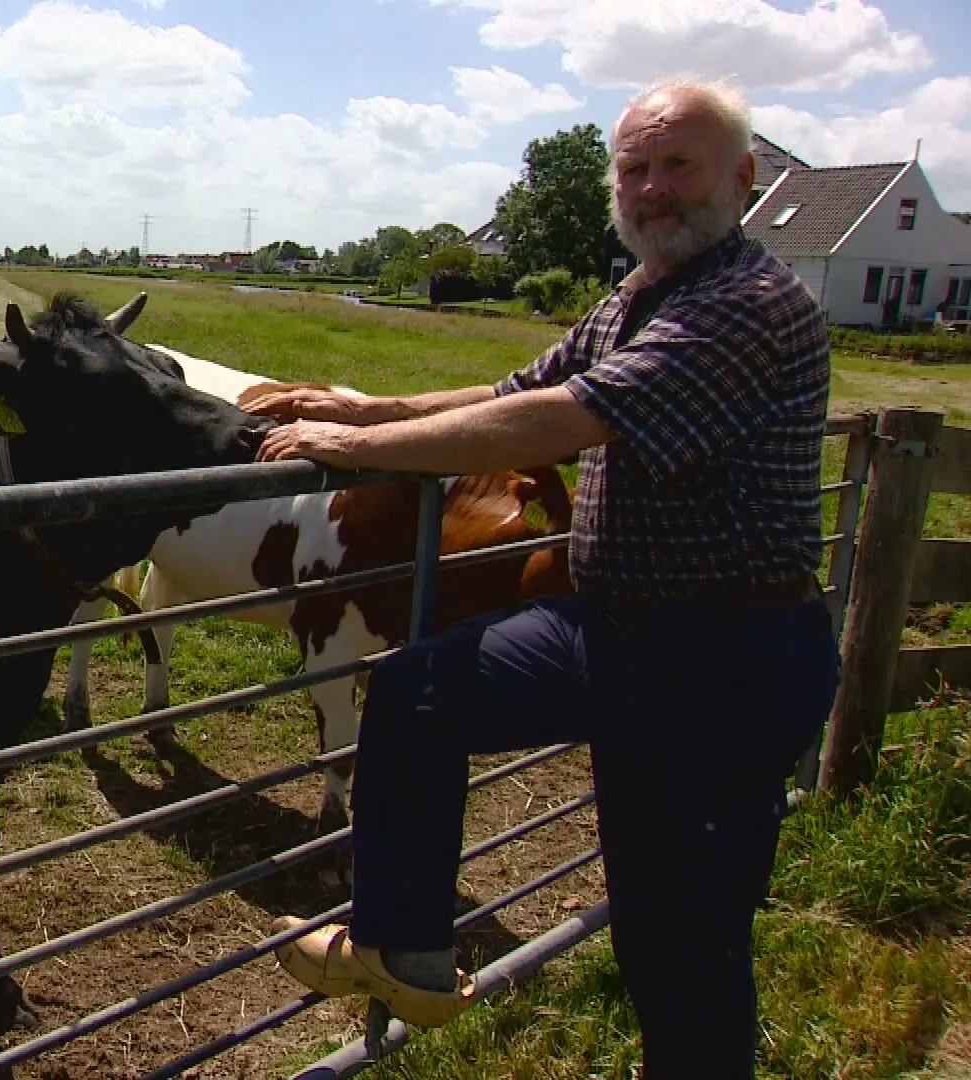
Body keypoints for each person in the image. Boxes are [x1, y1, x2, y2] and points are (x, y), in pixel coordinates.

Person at [244, 77, 841, 1079]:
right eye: (634, 169)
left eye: (678, 165)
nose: (653, 188)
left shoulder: (748, 305)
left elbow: (563, 422)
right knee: (413, 690)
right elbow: (517, 389)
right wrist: (371, 407)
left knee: (679, 944)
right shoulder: (641, 296)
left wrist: (360, 445)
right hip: (616, 630)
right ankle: (408, 948)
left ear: (741, 177)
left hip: (725, 661)